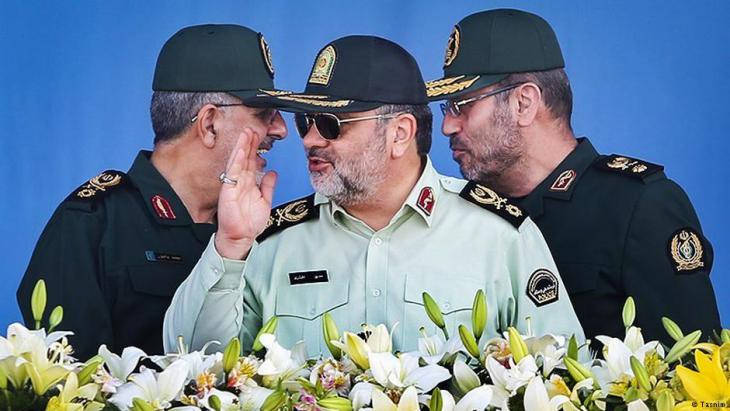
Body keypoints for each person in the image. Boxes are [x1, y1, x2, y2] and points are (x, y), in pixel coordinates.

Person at [164, 35, 584, 356]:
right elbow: (195, 361)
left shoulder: (500, 235)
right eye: (305, 122)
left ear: (399, 133)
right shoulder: (269, 240)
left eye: (331, 123)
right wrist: (231, 246)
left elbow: (561, 370)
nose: (310, 139)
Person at [426, 9, 722, 346]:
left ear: (524, 103)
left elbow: (693, 370)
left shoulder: (637, 205)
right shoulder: (464, 214)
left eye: (462, 105)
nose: (448, 126)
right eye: (446, 108)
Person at [17, 24, 288, 360]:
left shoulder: (264, 230)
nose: (281, 129)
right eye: (264, 114)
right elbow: (69, 386)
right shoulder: (92, 223)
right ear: (209, 124)